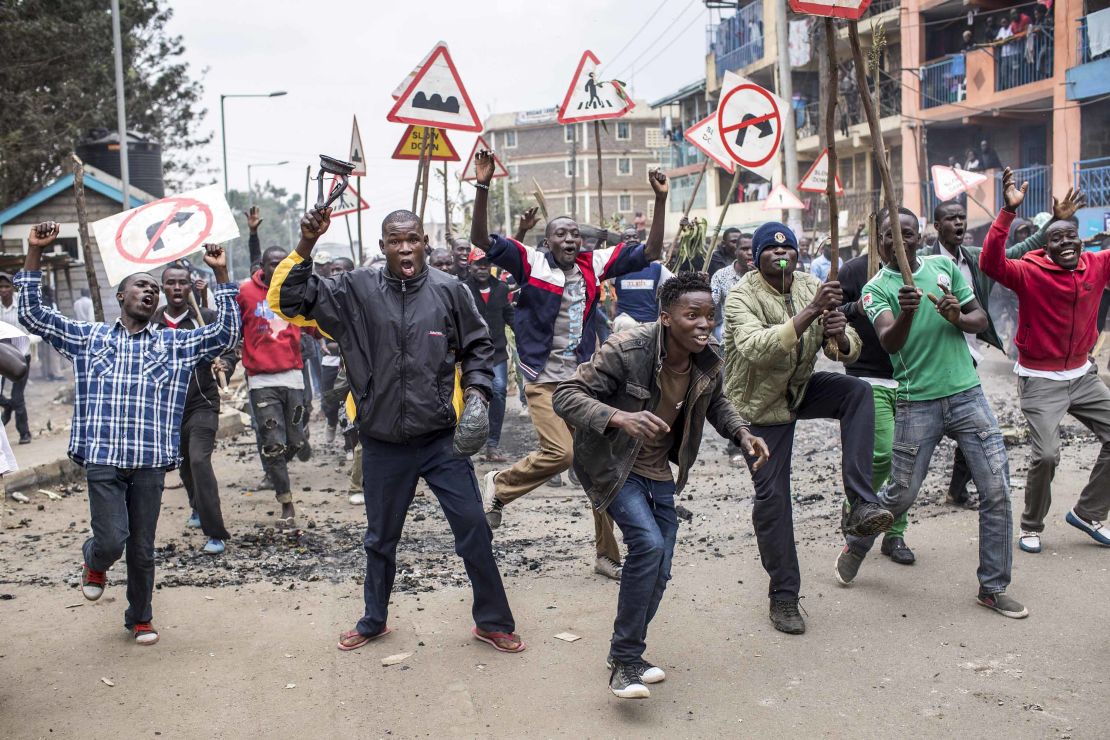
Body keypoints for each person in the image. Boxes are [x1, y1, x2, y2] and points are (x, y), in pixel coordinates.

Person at [271, 205, 524, 655]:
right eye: (395, 240)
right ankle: (374, 620)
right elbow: (292, 300)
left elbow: (480, 349)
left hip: (441, 440)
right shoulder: (354, 289)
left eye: (412, 239)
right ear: (383, 245)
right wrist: (306, 242)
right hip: (383, 442)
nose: (405, 248)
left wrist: (479, 398)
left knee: (473, 530)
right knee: (379, 539)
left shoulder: (450, 291)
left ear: (425, 242)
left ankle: (493, 621)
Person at [17, 222, 239, 645]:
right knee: (112, 540)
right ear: (121, 297)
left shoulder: (175, 345)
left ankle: (140, 617)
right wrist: (34, 254)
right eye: (141, 285)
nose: (150, 290)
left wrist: (222, 276)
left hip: (151, 463)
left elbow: (226, 334)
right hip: (103, 458)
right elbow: (33, 316)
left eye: (154, 288)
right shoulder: (90, 338)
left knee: (142, 549)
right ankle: (94, 559)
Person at [553, 272, 769, 699]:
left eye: (710, 315)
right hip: (613, 466)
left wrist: (742, 433)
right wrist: (620, 418)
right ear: (667, 318)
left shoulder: (707, 359)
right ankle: (627, 660)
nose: (705, 324)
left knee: (660, 568)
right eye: (694, 315)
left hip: (660, 474)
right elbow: (566, 394)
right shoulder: (627, 348)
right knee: (648, 546)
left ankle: (624, 656)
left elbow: (718, 402)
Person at [470, 149, 669, 581]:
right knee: (561, 454)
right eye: (561, 234)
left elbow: (651, 250)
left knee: (601, 470)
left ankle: (605, 554)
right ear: (548, 241)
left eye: (575, 235)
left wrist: (659, 200)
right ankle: (500, 487)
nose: (569, 240)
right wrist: (483, 186)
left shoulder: (593, 264)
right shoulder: (531, 263)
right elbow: (483, 241)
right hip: (542, 380)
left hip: (582, 383)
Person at [836, 199, 1027, 620]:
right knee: (901, 495)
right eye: (890, 235)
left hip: (967, 394)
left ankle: (993, 588)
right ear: (881, 243)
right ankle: (859, 540)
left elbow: (979, 319)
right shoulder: (875, 288)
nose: (900, 241)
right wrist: (907, 312)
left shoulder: (947, 270)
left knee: (996, 490)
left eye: (907, 232)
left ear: (919, 235)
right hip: (915, 401)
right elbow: (888, 341)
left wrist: (958, 315)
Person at [724, 222, 893, 635]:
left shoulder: (810, 283)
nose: (782, 258)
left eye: (789, 252)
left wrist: (840, 336)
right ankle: (783, 596)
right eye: (772, 253)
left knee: (857, 392)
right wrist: (812, 312)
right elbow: (756, 350)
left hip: (798, 389)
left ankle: (861, 504)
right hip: (759, 408)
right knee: (773, 500)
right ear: (756, 256)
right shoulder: (740, 296)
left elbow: (843, 347)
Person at [978, 176, 1110, 552]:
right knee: (1048, 454)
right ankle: (1031, 525)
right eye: (1057, 238)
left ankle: (1088, 512)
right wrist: (1007, 211)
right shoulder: (1028, 271)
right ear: (1045, 244)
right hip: (1040, 378)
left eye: (1071, 237)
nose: (1066, 243)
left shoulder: (1097, 265)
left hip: (1083, 375)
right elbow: (990, 262)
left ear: (1081, 239)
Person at [921, 191, 1079, 504]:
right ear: (937, 225)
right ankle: (895, 495)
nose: (959, 222)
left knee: (977, 425)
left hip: (966, 353)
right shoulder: (920, 261)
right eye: (952, 218)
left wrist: (1056, 222)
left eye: (962, 218)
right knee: (922, 430)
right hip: (927, 353)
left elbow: (1021, 249)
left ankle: (956, 489)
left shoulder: (975, 258)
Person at [152, 262, 237, 554]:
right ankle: (195, 505)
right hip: (167, 409)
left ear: (191, 287)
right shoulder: (150, 323)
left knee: (200, 461)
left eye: (182, 283)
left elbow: (229, 346)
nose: (177, 288)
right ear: (163, 287)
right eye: (171, 283)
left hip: (202, 403)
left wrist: (225, 362)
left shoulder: (207, 318)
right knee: (184, 464)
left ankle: (215, 533)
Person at [237, 244, 308, 528]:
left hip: (293, 379)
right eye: (272, 263)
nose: (278, 267)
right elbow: (233, 324)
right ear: (262, 266)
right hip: (261, 381)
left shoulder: (295, 290)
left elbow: (313, 323)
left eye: (282, 262)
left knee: (297, 440)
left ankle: (286, 459)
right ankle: (286, 502)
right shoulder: (246, 293)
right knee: (273, 444)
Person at [463, 252, 515, 463]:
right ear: (470, 266)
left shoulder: (501, 289)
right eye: (478, 265)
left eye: (486, 264)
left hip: (497, 352)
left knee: (499, 391)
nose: (482, 268)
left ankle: (492, 444)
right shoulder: (463, 289)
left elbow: (509, 316)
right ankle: (467, 443)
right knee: (472, 397)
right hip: (472, 352)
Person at [0, 273, 32, 444]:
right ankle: (7, 405)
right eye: (0, 287)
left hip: (21, 356)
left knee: (18, 396)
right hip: (1, 357)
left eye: (7, 286)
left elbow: (29, 327)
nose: (3, 290)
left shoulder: (20, 303)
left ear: (12, 288)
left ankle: (24, 433)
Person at [612, 258, 674, 333]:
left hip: (624, 324)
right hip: (648, 326)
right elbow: (676, 284)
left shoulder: (617, 268)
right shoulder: (658, 269)